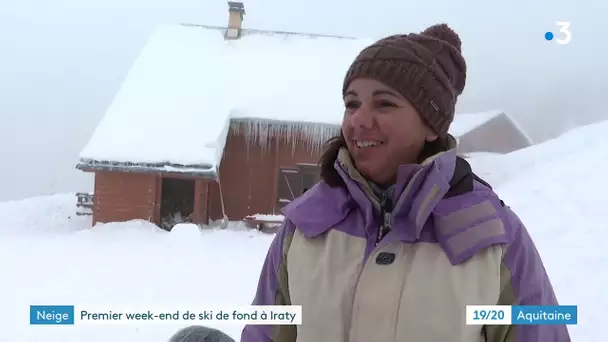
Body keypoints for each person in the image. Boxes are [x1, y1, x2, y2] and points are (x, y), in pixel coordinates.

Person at [240, 23, 570, 342]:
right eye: (352, 103)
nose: (359, 119)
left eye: (384, 104)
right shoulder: (304, 227)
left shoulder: (494, 238)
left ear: (432, 125)